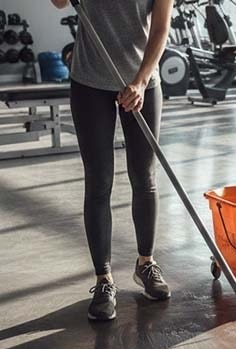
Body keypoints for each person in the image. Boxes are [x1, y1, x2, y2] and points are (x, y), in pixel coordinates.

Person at [50, 0, 173, 321]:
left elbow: (161, 29)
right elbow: (59, 2)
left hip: (142, 81)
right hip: (90, 81)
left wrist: (142, 81)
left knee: (144, 177)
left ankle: (146, 263)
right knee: (99, 180)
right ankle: (104, 280)